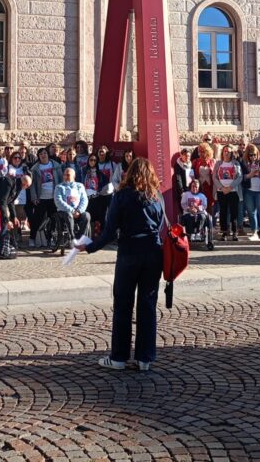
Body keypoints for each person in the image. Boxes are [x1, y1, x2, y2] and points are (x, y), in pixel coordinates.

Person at [77, 157, 165, 371]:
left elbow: (108, 232)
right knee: (148, 305)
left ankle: (119, 357)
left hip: (129, 253)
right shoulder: (157, 197)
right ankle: (145, 358)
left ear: (130, 173)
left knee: (123, 305)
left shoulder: (122, 196)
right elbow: (161, 224)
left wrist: (89, 247)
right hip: (153, 253)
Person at [30, 148, 62, 248]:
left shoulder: (56, 166)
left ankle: (51, 238)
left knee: (53, 219)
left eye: (45, 153)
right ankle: (32, 238)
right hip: (41, 198)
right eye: (41, 154)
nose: (43, 155)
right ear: (38, 156)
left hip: (54, 197)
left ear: (48, 155)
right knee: (37, 219)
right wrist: (34, 197)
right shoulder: (35, 168)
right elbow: (32, 185)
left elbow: (61, 180)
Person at [241, 145, 260, 241]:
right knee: (251, 212)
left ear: (257, 153)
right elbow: (240, 177)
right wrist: (250, 175)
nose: (253, 157)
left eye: (254, 154)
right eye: (250, 155)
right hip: (249, 191)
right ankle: (254, 232)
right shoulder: (244, 163)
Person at [54, 165, 89, 240]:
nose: (65, 177)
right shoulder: (59, 187)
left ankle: (80, 237)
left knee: (87, 215)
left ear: (74, 176)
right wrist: (72, 211)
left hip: (78, 212)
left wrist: (79, 211)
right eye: (64, 175)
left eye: (68, 175)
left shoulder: (80, 186)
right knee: (68, 214)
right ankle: (72, 237)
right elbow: (58, 201)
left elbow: (84, 200)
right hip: (64, 212)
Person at [214, 146, 242, 241]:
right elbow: (214, 177)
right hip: (221, 192)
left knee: (234, 212)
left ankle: (234, 232)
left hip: (233, 191)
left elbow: (239, 177)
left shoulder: (236, 163)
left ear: (231, 153)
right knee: (223, 212)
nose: (227, 153)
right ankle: (224, 232)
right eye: (225, 151)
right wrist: (222, 188)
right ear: (222, 152)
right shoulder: (218, 164)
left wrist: (230, 187)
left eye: (229, 152)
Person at [180, 178, 214, 249]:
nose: (194, 188)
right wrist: (189, 209)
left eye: (196, 187)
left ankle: (199, 232)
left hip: (200, 212)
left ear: (199, 188)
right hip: (188, 212)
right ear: (190, 186)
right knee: (188, 217)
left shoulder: (202, 196)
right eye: (193, 186)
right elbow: (183, 204)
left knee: (202, 217)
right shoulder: (186, 195)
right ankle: (190, 233)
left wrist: (198, 208)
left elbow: (205, 206)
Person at [81, 152, 106, 235]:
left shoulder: (100, 173)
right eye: (91, 160)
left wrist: (99, 190)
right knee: (87, 217)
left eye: (95, 160)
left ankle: (96, 236)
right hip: (86, 197)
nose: (93, 162)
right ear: (88, 161)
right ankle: (87, 236)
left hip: (96, 198)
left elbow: (103, 184)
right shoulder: (83, 170)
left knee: (97, 218)